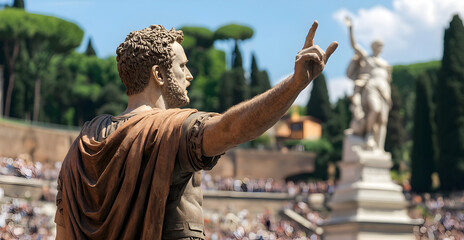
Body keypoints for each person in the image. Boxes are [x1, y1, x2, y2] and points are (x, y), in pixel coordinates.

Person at [55, 21, 337, 240]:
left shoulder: (82, 146)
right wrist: (295, 84)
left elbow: (63, 233)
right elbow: (232, 129)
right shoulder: (170, 129)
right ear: (159, 75)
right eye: (183, 66)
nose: (189, 76)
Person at [344, 17, 392, 150]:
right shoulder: (367, 58)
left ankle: (379, 147)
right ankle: (368, 133)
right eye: (378, 45)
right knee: (374, 109)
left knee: (383, 121)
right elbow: (354, 45)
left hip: (384, 90)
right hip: (371, 87)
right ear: (373, 47)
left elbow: (388, 80)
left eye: (381, 46)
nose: (380, 48)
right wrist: (351, 28)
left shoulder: (385, 64)